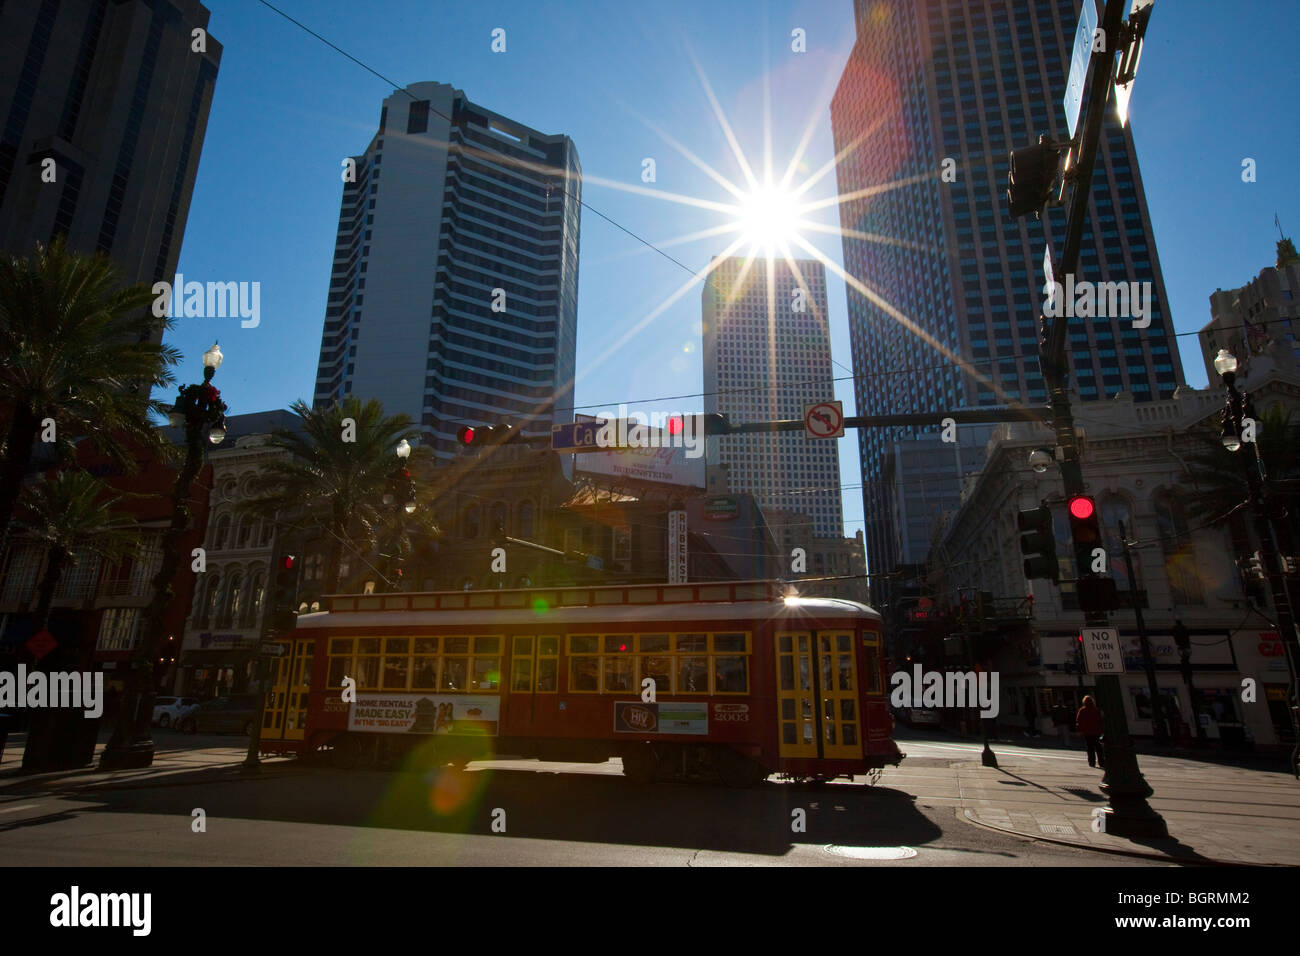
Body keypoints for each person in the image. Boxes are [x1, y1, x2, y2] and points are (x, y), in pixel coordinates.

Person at [1076, 695, 1105, 769]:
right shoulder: (1096, 710)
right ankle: (1101, 762)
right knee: (1099, 747)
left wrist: (1080, 730)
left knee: (1090, 748)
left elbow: (1079, 721)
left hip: (1087, 732)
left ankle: (1092, 762)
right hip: (1096, 731)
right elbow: (1100, 720)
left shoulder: (1082, 710)